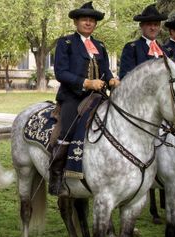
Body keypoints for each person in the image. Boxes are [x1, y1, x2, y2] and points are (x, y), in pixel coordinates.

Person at [48, 1, 118, 197]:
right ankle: (56, 175)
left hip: (99, 96)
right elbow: (61, 72)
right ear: (76, 22)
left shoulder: (100, 45)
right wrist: (86, 82)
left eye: (91, 20)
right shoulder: (66, 43)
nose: (88, 23)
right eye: (84, 20)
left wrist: (112, 79)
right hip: (72, 96)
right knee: (67, 131)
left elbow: (104, 70)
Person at [119, 4, 167, 79]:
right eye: (149, 24)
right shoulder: (132, 48)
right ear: (141, 25)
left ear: (160, 26)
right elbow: (125, 77)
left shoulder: (165, 50)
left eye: (156, 24)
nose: (153, 28)